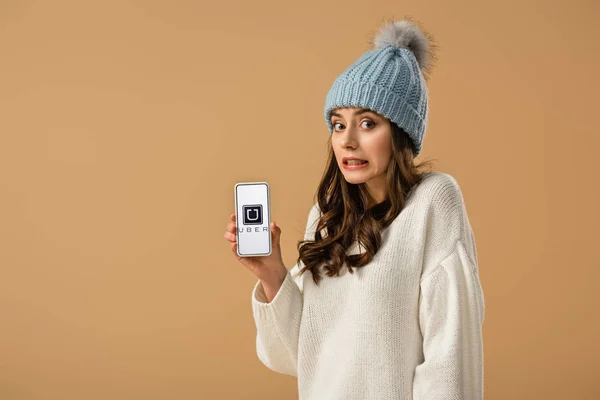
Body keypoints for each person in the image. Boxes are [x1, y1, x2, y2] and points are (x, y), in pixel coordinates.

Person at [223, 17, 485, 400]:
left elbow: (450, 357)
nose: (347, 141)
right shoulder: (328, 216)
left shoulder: (433, 202)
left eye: (367, 123)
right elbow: (296, 356)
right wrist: (273, 275)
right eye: (337, 124)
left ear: (400, 133)